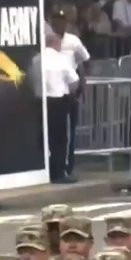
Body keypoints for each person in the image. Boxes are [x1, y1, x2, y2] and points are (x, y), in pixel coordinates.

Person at [39, 31, 79, 184]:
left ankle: (45, 171)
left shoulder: (38, 59)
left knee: (44, 138)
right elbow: (74, 82)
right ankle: (59, 172)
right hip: (59, 102)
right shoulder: (62, 59)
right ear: (55, 43)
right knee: (61, 139)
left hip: (40, 102)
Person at [53, 13, 90, 180]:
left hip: (70, 89)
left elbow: (84, 60)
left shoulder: (73, 41)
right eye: (55, 22)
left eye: (61, 21)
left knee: (69, 131)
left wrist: (82, 84)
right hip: (53, 89)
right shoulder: (48, 39)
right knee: (56, 132)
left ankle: (68, 166)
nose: (58, 25)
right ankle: (55, 166)